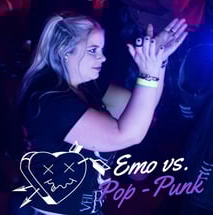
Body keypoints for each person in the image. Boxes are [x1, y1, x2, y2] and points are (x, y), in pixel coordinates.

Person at [16, 14, 189, 215]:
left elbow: (143, 110)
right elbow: (128, 135)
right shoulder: (51, 102)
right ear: (63, 51)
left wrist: (158, 61)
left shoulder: (86, 87)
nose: (103, 58)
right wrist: (148, 74)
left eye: (101, 49)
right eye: (92, 50)